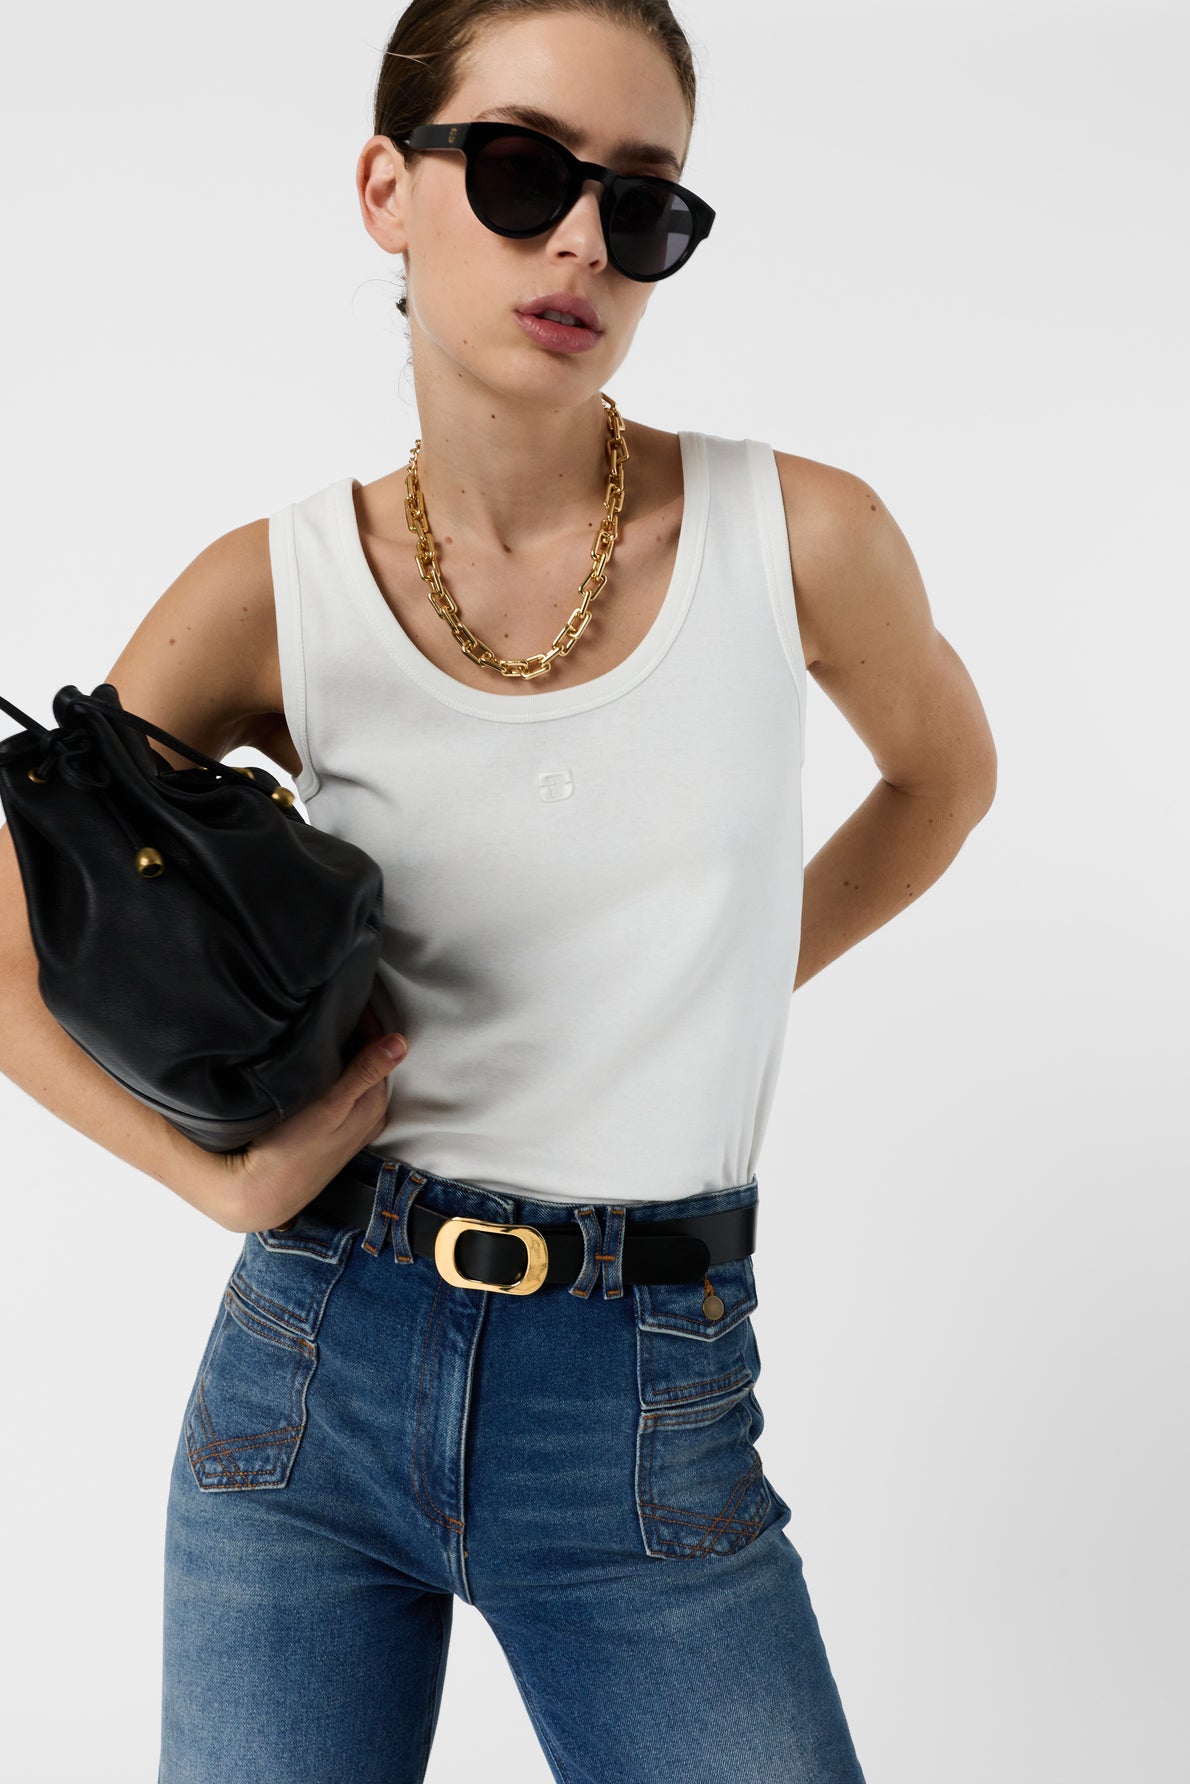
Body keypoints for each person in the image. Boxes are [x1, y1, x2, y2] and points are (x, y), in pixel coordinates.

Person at [0, 2, 997, 1779]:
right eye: (526, 171)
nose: (581, 242)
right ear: (387, 188)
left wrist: (728, 973)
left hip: (646, 1398)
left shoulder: (802, 538)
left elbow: (942, 781)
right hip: (310, 1376)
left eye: (644, 202)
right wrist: (217, 1181)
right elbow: (16, 930)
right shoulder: (271, 591)